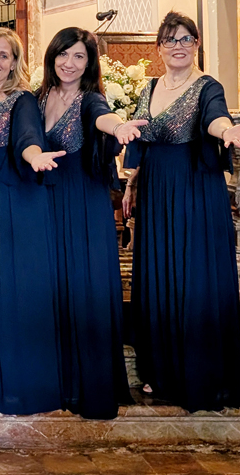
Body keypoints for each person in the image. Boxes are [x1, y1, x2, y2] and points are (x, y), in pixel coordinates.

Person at [122, 11, 240, 412]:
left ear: (197, 44)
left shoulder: (206, 86)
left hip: (195, 191)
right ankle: (161, 371)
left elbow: (215, 118)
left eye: (186, 39)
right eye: (170, 40)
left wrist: (226, 131)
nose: (178, 46)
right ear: (159, 47)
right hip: (155, 190)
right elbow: (143, 143)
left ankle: (200, 375)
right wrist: (131, 183)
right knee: (158, 276)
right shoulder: (149, 87)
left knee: (194, 277)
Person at [38, 27, 145, 419]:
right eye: (64, 54)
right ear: (52, 56)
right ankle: (58, 381)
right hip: (45, 203)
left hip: (82, 205)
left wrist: (119, 127)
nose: (69, 63)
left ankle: (90, 387)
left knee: (84, 291)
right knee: (53, 291)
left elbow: (104, 118)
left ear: (89, 63)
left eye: (79, 56)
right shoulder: (39, 96)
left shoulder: (92, 99)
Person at [0, 27, 65, 414]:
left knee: (9, 285)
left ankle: (17, 382)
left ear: (15, 63)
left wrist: (35, 155)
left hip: (7, 195)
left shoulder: (21, 99)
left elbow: (26, 136)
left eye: (3, 56)